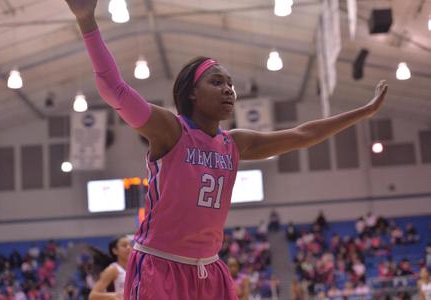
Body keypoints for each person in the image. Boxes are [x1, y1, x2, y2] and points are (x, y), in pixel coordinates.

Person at [64, 1, 389, 299]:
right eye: (217, 82)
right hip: (159, 265)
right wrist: (86, 20)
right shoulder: (171, 130)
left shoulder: (234, 143)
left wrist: (364, 112)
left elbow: (302, 134)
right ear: (193, 92)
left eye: (230, 83)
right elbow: (113, 88)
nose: (228, 90)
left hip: (210, 268)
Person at [89, 235, 132, 300]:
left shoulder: (136, 268)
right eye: (124, 245)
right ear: (115, 251)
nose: (128, 248)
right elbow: (92, 296)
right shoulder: (112, 269)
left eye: (130, 245)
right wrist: (114, 296)